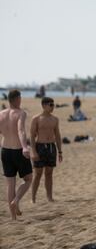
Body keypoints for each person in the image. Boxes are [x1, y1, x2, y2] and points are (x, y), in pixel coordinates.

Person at [0, 90, 33, 220]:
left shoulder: (1, 114)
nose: (21, 100)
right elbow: (21, 131)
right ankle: (17, 200)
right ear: (17, 99)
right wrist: (25, 147)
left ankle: (13, 217)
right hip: (18, 150)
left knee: (10, 184)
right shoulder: (20, 113)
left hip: (5, 151)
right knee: (28, 179)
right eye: (20, 98)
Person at [30, 97, 63, 203]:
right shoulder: (36, 118)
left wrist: (60, 151)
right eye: (51, 104)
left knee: (49, 173)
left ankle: (49, 197)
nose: (53, 107)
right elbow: (31, 136)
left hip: (51, 147)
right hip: (40, 147)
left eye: (53, 104)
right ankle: (33, 198)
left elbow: (57, 135)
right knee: (38, 174)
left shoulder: (55, 119)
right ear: (44, 105)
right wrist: (33, 151)